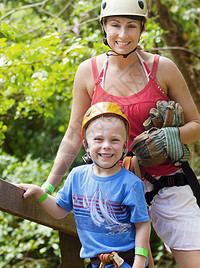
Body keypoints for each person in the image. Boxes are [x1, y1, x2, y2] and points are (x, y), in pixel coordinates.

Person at [42, 0, 200, 267]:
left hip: (167, 181)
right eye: (115, 25)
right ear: (104, 26)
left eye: (131, 26)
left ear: (141, 29)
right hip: (113, 189)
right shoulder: (88, 72)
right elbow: (72, 135)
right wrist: (48, 186)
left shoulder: (162, 68)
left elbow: (196, 125)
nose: (123, 35)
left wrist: (168, 136)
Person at [18, 102, 151, 268]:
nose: (106, 145)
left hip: (127, 262)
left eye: (115, 140)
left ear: (125, 146)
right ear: (86, 145)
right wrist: (39, 193)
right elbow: (59, 211)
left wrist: (139, 261)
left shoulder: (131, 184)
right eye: (98, 139)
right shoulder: (77, 177)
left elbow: (142, 224)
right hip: (96, 263)